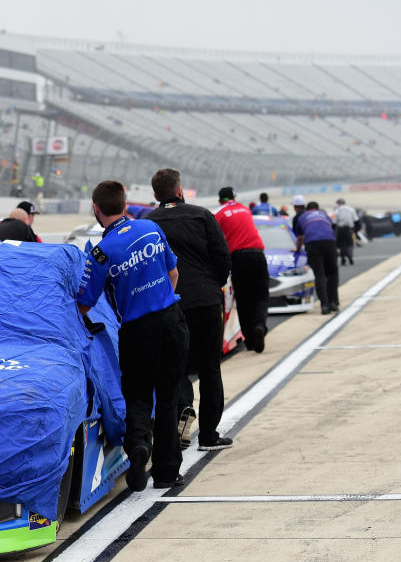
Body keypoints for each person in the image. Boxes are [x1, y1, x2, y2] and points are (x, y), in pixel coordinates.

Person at [76, 180, 189, 491]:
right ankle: (166, 472)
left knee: (137, 396)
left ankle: (138, 447)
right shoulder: (150, 228)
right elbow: (174, 273)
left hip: (137, 331)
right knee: (167, 398)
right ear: (124, 204)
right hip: (170, 321)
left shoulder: (101, 252)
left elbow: (84, 304)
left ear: (96, 210)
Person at [146, 169, 233, 452]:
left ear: (156, 194)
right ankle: (208, 435)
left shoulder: (148, 223)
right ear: (180, 189)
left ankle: (183, 410)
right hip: (206, 300)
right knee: (210, 368)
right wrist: (213, 284)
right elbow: (222, 256)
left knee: (175, 367)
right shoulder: (201, 215)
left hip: (171, 303)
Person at [214, 187, 269, 354]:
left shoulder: (219, 213)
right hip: (258, 254)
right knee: (261, 296)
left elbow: (215, 239)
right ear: (234, 197)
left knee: (243, 300)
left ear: (219, 200)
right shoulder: (245, 209)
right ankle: (260, 326)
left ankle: (250, 340)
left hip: (238, 257)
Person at [296, 202, 339, 314]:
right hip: (329, 242)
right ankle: (334, 303)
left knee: (319, 275)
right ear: (318, 208)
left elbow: (300, 238)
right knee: (332, 273)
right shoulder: (324, 215)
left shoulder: (302, 217)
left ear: (307, 210)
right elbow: (331, 228)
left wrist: (298, 250)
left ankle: (324, 305)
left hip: (312, 244)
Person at [333, 198, 359, 266]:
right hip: (349, 229)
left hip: (340, 229)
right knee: (350, 244)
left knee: (341, 244)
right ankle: (350, 255)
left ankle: (343, 259)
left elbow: (334, 222)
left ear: (339, 203)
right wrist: (355, 230)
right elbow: (356, 220)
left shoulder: (337, 210)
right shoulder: (351, 209)